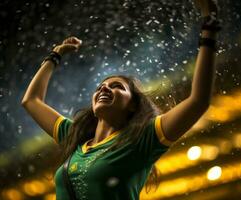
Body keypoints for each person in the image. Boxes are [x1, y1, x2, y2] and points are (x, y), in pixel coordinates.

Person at [21, 0, 220, 199]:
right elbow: (31, 101)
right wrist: (55, 55)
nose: (104, 88)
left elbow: (198, 101)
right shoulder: (75, 136)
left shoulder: (143, 139)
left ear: (133, 104)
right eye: (100, 87)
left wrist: (209, 24)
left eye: (117, 87)